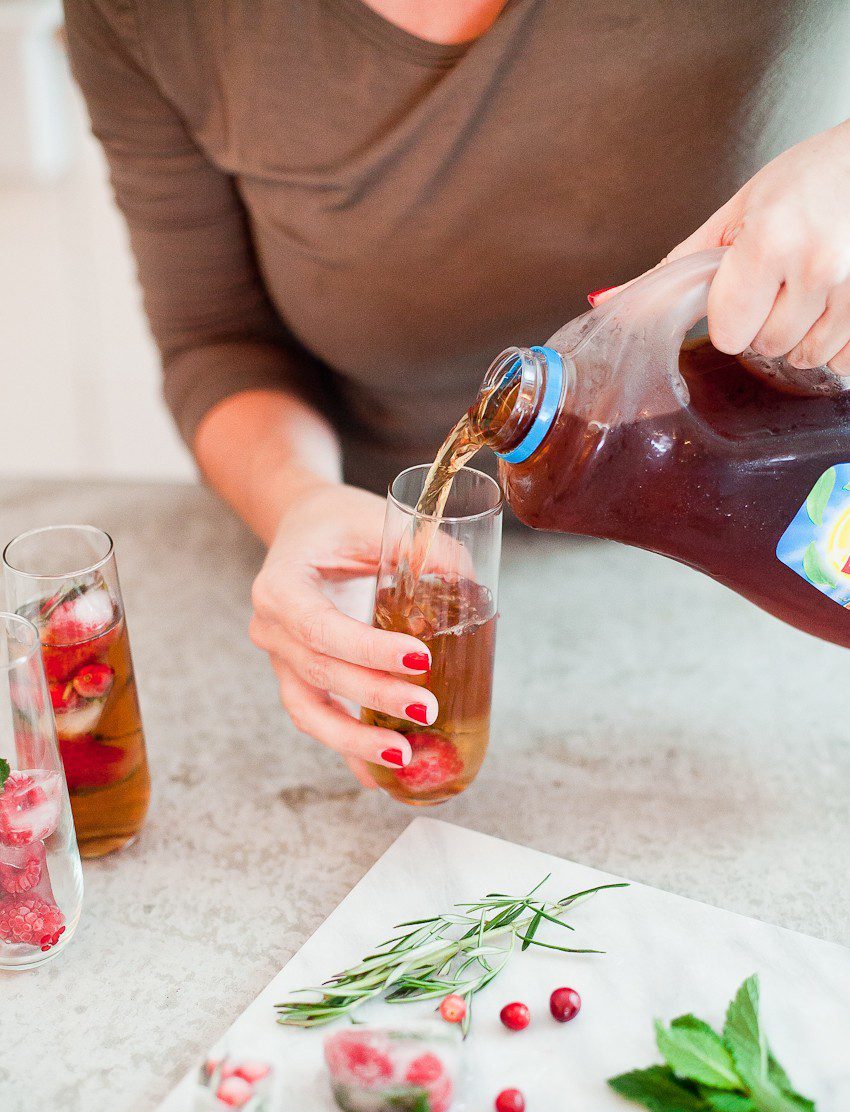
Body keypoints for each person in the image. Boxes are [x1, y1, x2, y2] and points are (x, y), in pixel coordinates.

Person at [65, 0, 850, 787]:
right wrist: (294, 497)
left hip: (759, 572)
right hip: (372, 567)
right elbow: (219, 339)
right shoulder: (155, 18)